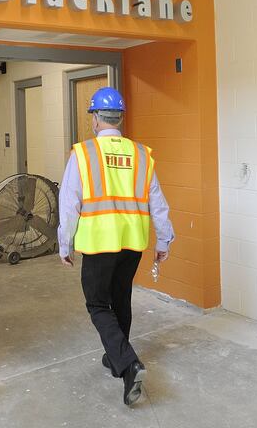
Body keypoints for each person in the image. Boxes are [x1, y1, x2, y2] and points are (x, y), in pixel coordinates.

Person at [57, 87, 174, 406]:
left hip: (98, 243)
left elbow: (70, 203)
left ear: (95, 118)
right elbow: (158, 203)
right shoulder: (141, 154)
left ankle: (128, 364)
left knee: (97, 304)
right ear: (120, 118)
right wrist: (163, 240)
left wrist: (64, 243)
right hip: (132, 243)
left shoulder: (82, 154)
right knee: (120, 298)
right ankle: (116, 356)